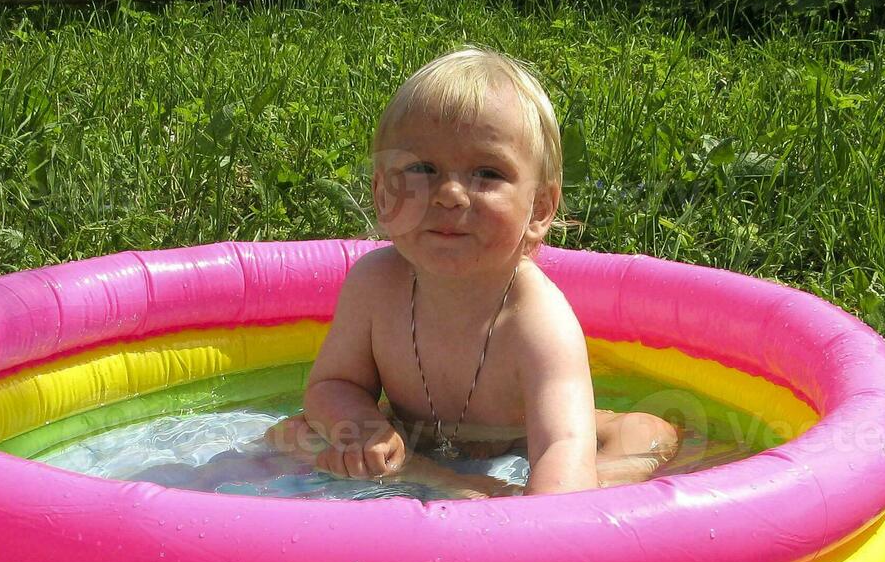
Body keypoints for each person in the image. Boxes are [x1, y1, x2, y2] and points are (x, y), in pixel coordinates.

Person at [263, 47, 678, 499]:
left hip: (519, 440)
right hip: (414, 438)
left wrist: (540, 519)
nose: (451, 195)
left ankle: (505, 490)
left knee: (647, 434)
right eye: (423, 169)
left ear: (539, 209)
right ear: (383, 195)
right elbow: (333, 384)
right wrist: (364, 434)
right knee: (288, 436)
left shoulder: (536, 318)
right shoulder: (375, 286)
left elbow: (561, 442)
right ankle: (435, 478)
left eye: (486, 173)